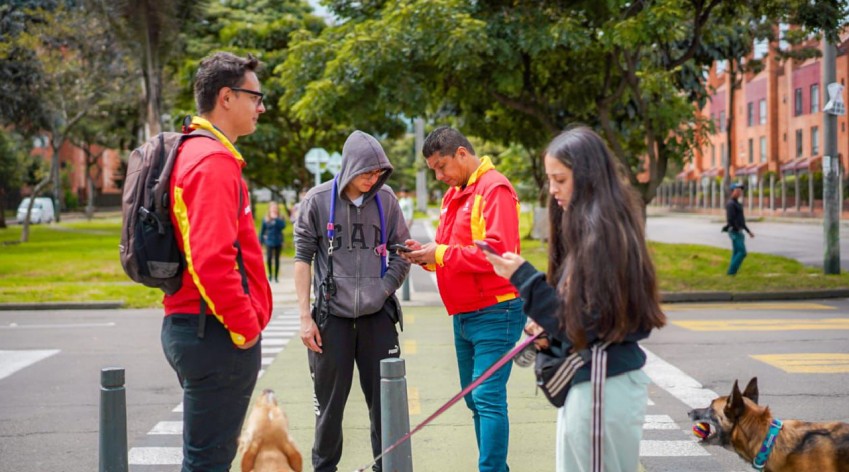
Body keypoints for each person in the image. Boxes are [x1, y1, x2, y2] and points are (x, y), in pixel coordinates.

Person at [482, 126, 667, 472]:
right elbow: (585, 318)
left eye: (560, 179)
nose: (552, 190)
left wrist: (526, 280)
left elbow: (586, 324)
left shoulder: (603, 233)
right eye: (551, 179)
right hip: (597, 381)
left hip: (600, 382)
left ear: (587, 177)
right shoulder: (600, 225)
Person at [161, 52, 272, 471]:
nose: (260, 107)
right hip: (215, 331)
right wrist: (245, 328)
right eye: (255, 97)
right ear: (227, 97)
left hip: (197, 324)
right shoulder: (213, 161)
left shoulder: (193, 150)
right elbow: (211, 259)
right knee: (208, 463)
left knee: (204, 459)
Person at [400, 126, 525, 472]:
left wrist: (438, 253)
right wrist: (425, 255)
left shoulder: (493, 188)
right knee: (474, 398)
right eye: (433, 171)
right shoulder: (455, 193)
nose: (439, 176)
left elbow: (498, 252)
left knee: (486, 396)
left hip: (496, 310)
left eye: (441, 167)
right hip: (465, 314)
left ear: (461, 154)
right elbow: (449, 250)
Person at [294, 130, 411, 472]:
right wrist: (305, 317)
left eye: (378, 174)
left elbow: (402, 253)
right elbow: (302, 259)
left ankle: (387, 467)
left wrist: (384, 288)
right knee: (329, 409)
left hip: (377, 318)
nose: (372, 180)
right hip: (333, 319)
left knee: (385, 407)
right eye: (365, 173)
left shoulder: (386, 200)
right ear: (348, 168)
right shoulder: (316, 201)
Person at [724, 182, 755, 275]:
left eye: (740, 191)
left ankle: (731, 273)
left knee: (736, 252)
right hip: (734, 232)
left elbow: (742, 220)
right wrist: (736, 229)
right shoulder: (730, 204)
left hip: (739, 231)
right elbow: (730, 220)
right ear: (732, 191)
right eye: (737, 190)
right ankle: (731, 272)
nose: (739, 192)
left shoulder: (738, 204)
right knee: (742, 252)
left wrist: (748, 231)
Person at [260, 201, 287, 282]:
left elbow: (283, 226)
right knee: (268, 258)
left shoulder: (280, 218)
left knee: (277, 259)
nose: (274, 209)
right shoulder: (266, 218)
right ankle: (270, 275)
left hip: (278, 240)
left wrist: (276, 219)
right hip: (269, 241)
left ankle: (276, 277)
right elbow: (262, 231)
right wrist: (260, 241)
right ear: (269, 209)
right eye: (272, 208)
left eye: (275, 208)